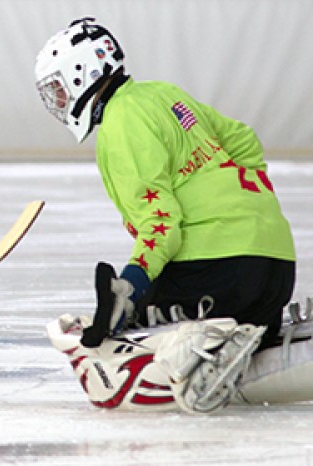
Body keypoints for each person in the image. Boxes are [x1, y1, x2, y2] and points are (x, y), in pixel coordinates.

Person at [34, 18, 298, 412]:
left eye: (57, 88)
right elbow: (243, 139)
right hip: (276, 266)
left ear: (81, 73)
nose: (57, 101)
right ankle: (248, 333)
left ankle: (208, 341)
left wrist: (131, 287)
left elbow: (162, 224)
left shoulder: (120, 125)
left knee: (128, 331)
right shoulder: (163, 94)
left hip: (221, 270)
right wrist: (248, 205)